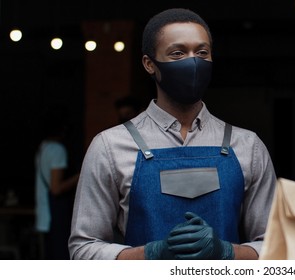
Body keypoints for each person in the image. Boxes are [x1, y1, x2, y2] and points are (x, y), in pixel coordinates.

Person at [68, 8, 277, 260]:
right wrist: (150, 254)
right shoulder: (109, 146)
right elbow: (83, 250)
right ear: (149, 64)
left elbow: (276, 247)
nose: (193, 62)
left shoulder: (247, 146)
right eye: (178, 53)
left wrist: (227, 251)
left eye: (202, 52)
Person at [35, 105, 80, 259]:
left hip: (44, 215)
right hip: (54, 217)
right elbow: (56, 188)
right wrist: (80, 176)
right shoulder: (57, 150)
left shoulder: (44, 147)